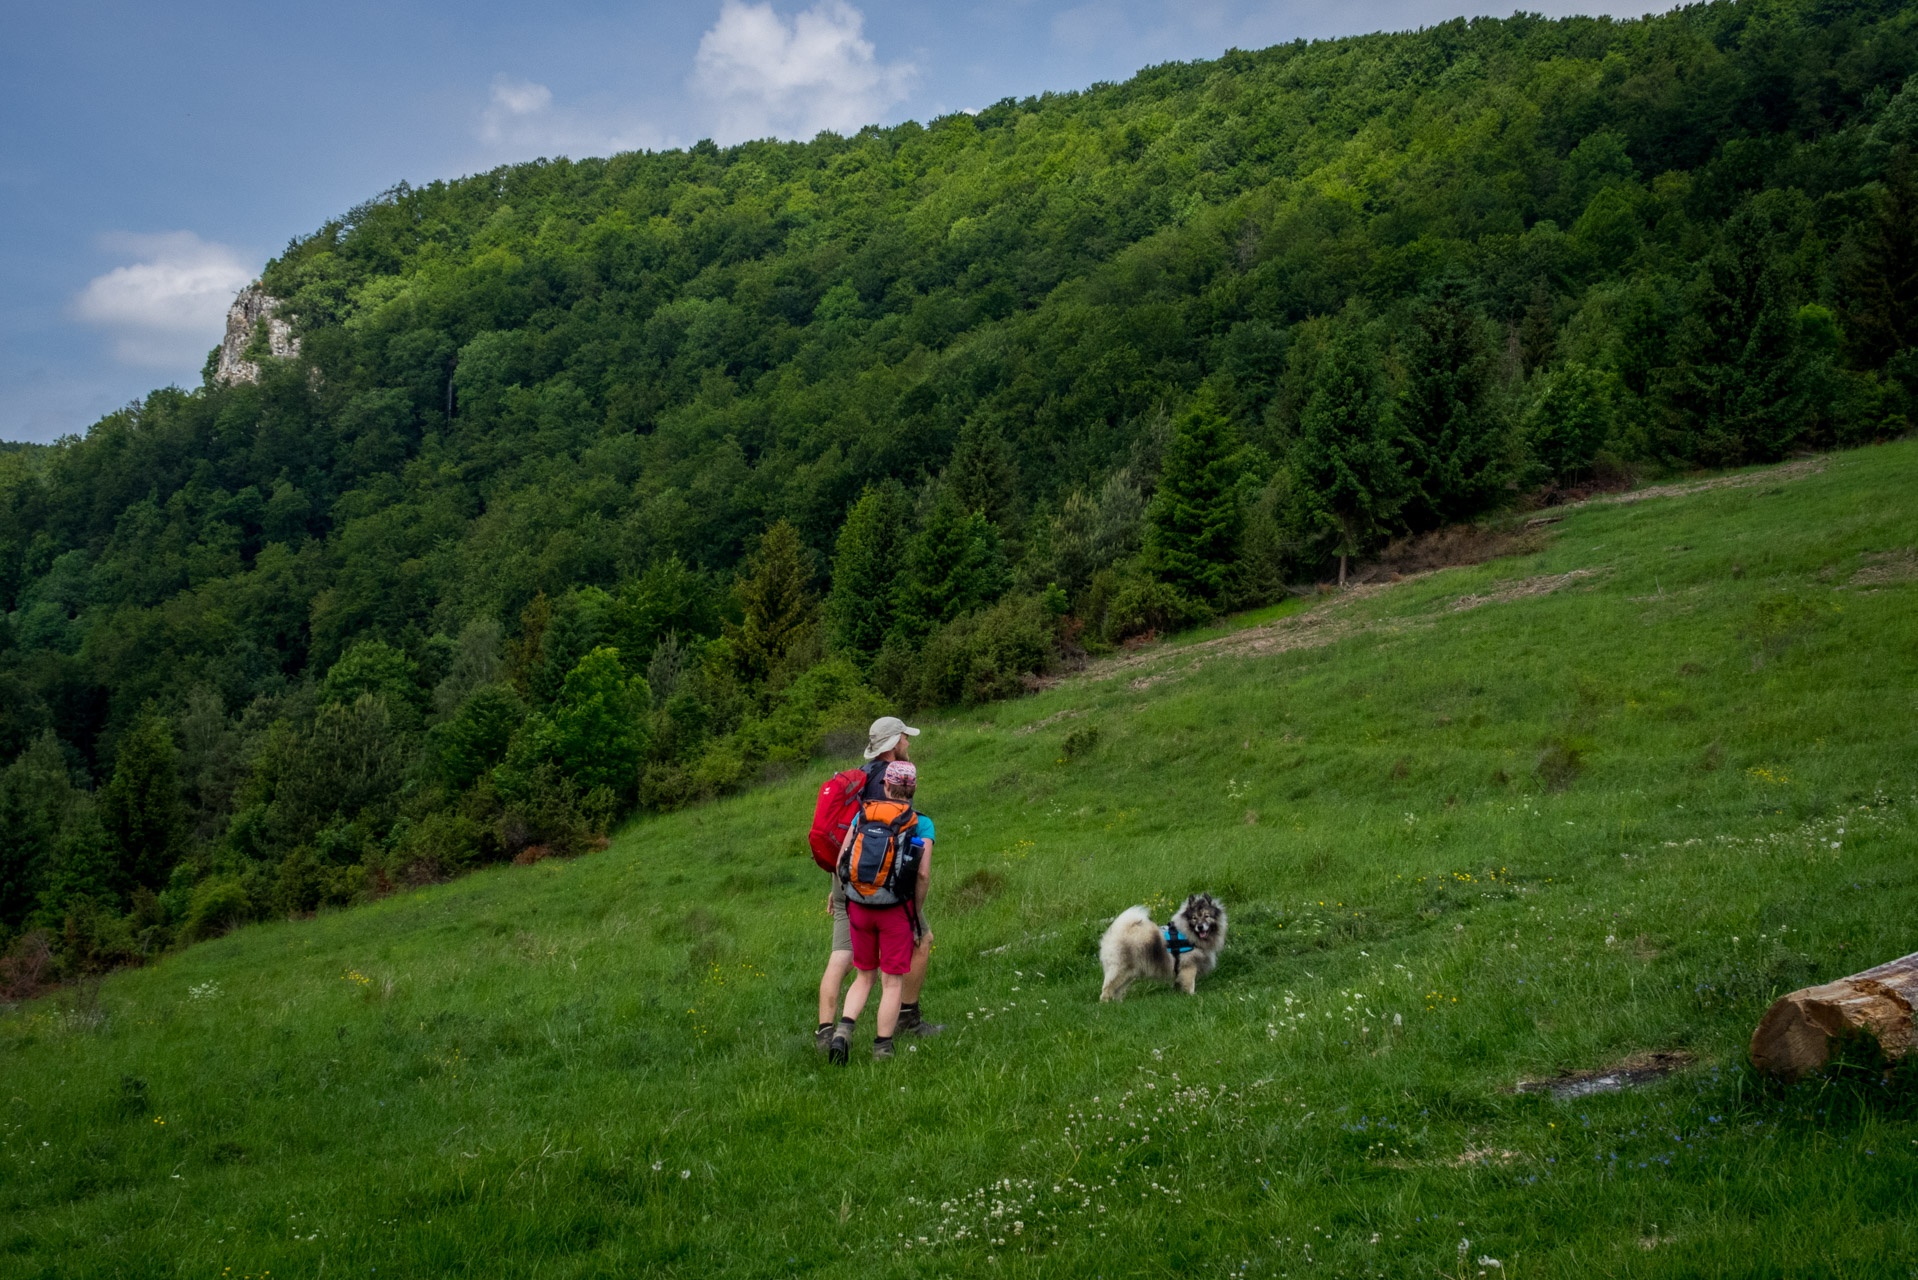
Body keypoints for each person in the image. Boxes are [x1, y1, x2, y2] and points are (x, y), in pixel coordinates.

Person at [816, 716, 945, 1052]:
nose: (909, 743)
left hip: (847, 877)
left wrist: (836, 886)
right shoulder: (890, 782)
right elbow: (907, 851)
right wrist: (913, 910)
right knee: (921, 940)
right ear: (894, 742)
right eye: (905, 738)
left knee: (843, 955)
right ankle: (905, 1019)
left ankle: (826, 1032)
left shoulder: (860, 775)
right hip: (883, 886)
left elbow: (849, 837)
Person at [827, 759, 931, 1062]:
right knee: (892, 981)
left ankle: (843, 1032)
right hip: (895, 910)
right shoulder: (919, 823)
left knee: (863, 976)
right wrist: (914, 912)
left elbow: (840, 863)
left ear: (885, 784)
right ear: (912, 788)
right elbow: (922, 875)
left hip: (859, 906)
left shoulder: (862, 815)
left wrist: (852, 896)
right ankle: (882, 1048)